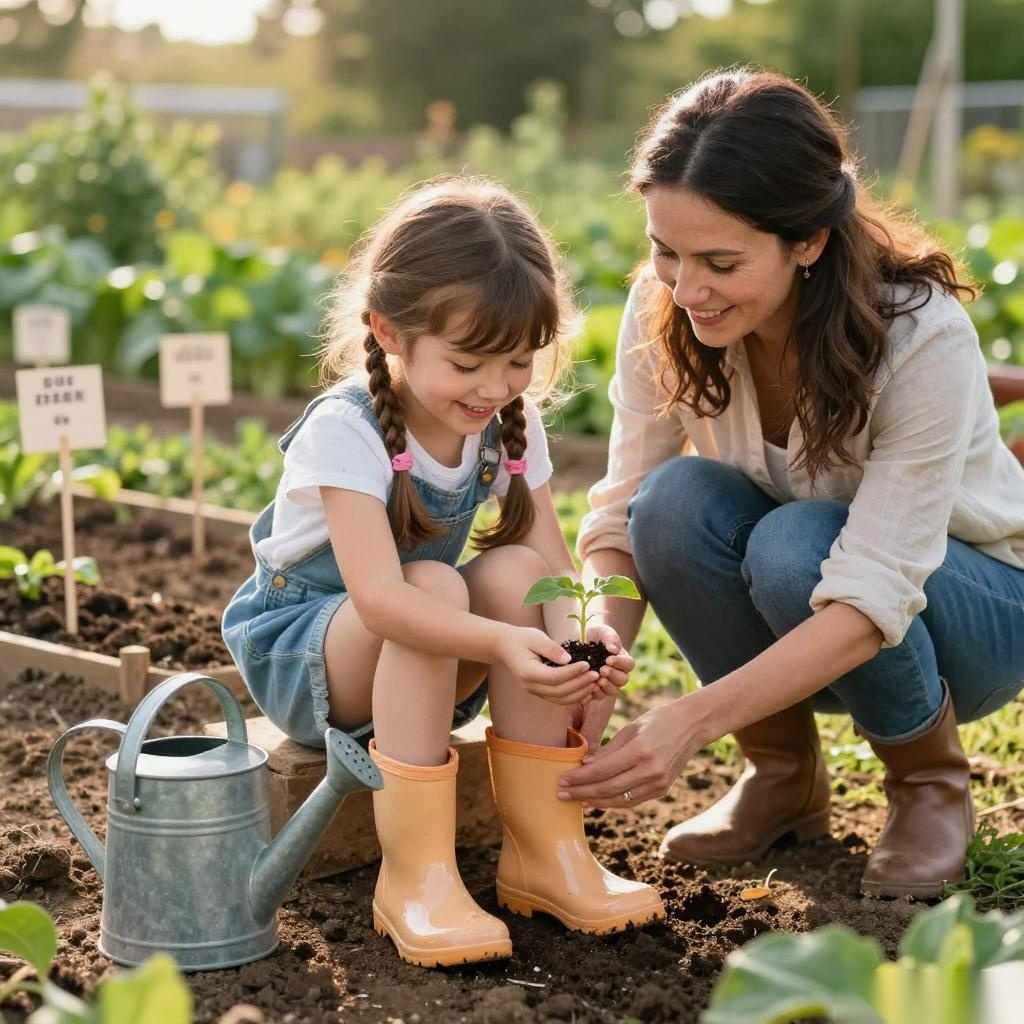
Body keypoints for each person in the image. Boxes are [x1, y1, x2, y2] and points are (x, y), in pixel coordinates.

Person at [559, 69, 1024, 899]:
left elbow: (874, 586)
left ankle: (928, 784)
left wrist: (690, 721)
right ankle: (782, 777)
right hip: (811, 594)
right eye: (666, 250)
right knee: (669, 506)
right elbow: (622, 515)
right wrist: (590, 659)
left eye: (721, 261)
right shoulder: (662, 308)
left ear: (806, 240)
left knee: (798, 542)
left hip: (976, 612)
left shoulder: (918, 335)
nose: (685, 286)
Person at [222, 177, 664, 969]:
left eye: (517, 363)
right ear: (388, 330)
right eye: (467, 363)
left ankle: (543, 853)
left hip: (424, 645)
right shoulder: (346, 429)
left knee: (516, 572)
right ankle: (415, 876)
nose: (494, 388)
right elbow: (384, 602)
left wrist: (583, 642)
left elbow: (555, 568)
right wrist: (501, 644)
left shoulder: (504, 425)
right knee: (432, 586)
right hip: (309, 658)